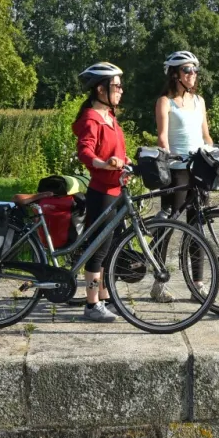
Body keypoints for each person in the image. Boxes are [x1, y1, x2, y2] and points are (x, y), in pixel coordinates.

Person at [154, 50, 213, 302]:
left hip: (199, 170)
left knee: (197, 226)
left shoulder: (199, 101)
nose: (193, 75)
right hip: (177, 171)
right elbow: (162, 137)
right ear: (175, 74)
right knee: (168, 224)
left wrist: (213, 151)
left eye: (194, 70)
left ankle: (196, 284)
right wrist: (167, 157)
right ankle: (158, 283)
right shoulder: (165, 102)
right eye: (187, 70)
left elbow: (205, 135)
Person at [72, 62, 128, 322]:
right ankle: (91, 304)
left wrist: (127, 164)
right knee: (99, 250)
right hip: (102, 192)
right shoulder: (91, 118)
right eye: (116, 86)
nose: (120, 91)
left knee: (112, 245)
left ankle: (104, 297)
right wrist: (104, 164)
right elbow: (85, 152)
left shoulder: (110, 117)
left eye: (120, 86)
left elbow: (117, 151)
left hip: (116, 189)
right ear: (100, 88)